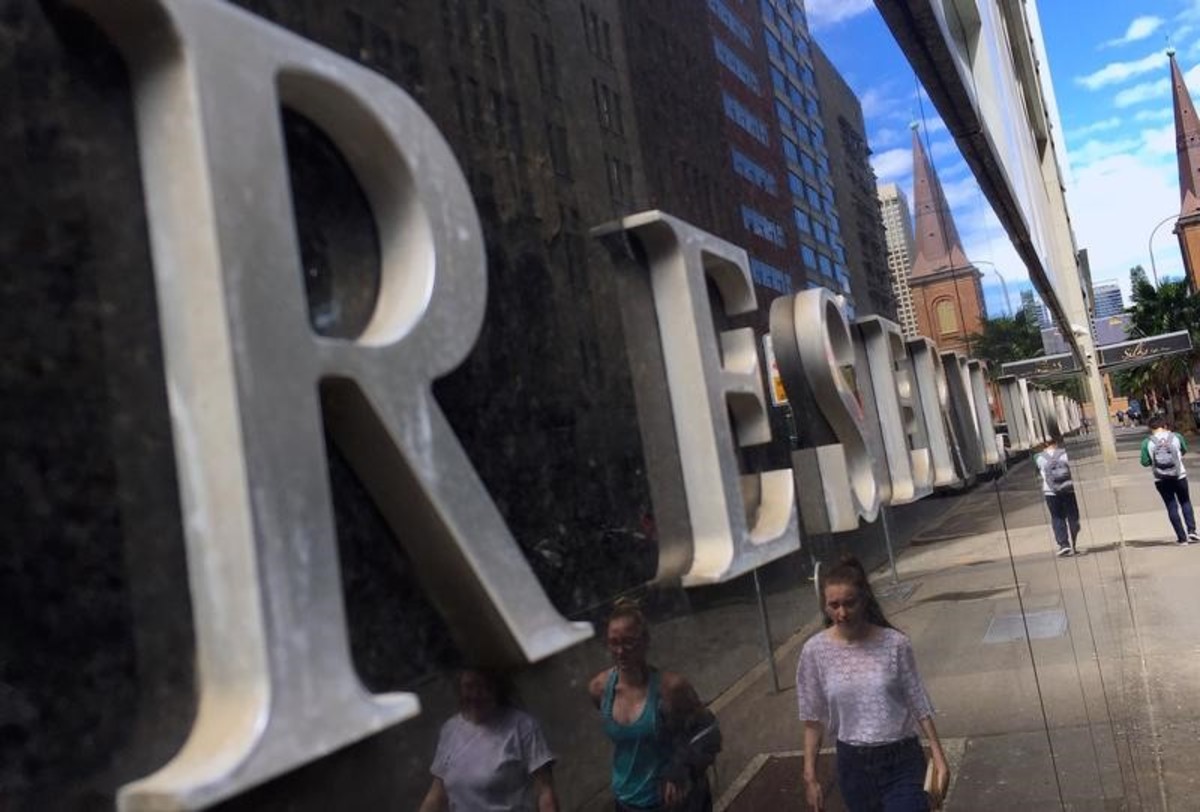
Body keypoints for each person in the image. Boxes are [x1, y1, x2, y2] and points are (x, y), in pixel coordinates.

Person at [798, 557, 948, 812]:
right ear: (824, 605)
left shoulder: (895, 644)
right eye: (834, 605)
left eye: (849, 603)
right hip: (853, 767)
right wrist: (810, 777)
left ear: (864, 600)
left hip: (901, 761)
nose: (842, 613)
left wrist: (938, 754)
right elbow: (812, 718)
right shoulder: (814, 651)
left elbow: (917, 700)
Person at [589, 599, 720, 811]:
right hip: (626, 801)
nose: (620, 651)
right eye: (613, 642)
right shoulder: (599, 689)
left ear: (645, 642)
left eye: (629, 642)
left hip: (674, 803)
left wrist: (680, 769)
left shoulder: (671, 689)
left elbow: (709, 731)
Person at [419, 668, 559, 812]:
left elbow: (545, 791)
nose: (475, 694)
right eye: (469, 686)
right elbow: (437, 795)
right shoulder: (450, 729)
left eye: (482, 686)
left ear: (496, 688)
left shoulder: (522, 726)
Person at [1140, 416, 1199, 546]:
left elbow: (1144, 462)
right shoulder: (1176, 437)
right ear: (1165, 426)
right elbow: (1184, 450)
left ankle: (1182, 538)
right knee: (1185, 502)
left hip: (1160, 479)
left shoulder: (1146, 443)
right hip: (1179, 475)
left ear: (1151, 428)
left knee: (1171, 506)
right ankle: (1192, 531)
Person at [1035, 434, 1081, 556]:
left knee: (1057, 517)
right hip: (1068, 489)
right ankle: (1074, 542)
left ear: (1044, 444)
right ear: (1056, 441)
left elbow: (1039, 473)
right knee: (1073, 516)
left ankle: (1064, 544)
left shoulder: (1039, 458)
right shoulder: (1065, 454)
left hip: (1050, 492)